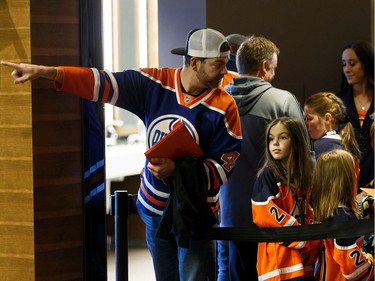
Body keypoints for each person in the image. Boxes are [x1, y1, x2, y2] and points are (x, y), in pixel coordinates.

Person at [1, 27, 242, 281]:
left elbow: (225, 165)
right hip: (154, 211)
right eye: (218, 65)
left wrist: (179, 169)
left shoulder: (225, 105)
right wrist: (45, 73)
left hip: (196, 214)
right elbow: (100, 82)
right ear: (195, 62)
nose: (225, 72)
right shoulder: (153, 83)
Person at [218, 35, 311, 280]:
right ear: (265, 67)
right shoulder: (283, 100)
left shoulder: (217, 101)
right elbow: (304, 158)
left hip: (229, 214)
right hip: (276, 214)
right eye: (274, 67)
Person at [252, 117, 319, 281]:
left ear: (296, 142)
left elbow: (310, 213)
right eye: (271, 138)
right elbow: (264, 215)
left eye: (282, 137)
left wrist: (310, 242)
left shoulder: (304, 177)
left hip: (302, 257)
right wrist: (302, 238)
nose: (275, 143)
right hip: (278, 260)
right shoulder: (268, 175)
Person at [312, 149, 374, 281]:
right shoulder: (341, 217)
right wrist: (371, 260)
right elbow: (353, 270)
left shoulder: (329, 212)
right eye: (353, 172)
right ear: (346, 180)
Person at [339, 40, 374, 188]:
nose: (347, 69)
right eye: (344, 64)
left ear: (366, 64)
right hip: (347, 179)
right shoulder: (339, 102)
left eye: (352, 63)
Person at [303, 91, 360, 164]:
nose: (305, 124)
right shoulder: (345, 142)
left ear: (327, 119)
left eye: (309, 119)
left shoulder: (319, 147)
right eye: (305, 119)